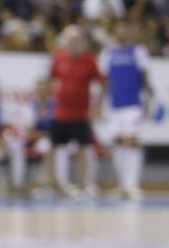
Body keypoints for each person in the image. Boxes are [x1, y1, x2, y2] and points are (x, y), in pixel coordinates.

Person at [98, 22, 153, 201]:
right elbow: (105, 81)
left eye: (125, 30)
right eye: (119, 31)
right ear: (114, 33)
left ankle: (132, 184)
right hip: (114, 105)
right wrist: (98, 104)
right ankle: (122, 184)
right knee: (117, 142)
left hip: (133, 104)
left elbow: (145, 78)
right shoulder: (108, 54)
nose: (122, 34)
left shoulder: (138, 52)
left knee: (131, 140)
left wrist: (148, 100)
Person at [49, 26, 103, 199]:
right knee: (57, 148)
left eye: (76, 40)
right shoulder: (58, 58)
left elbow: (100, 84)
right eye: (70, 40)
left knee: (83, 149)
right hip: (61, 113)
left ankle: (84, 184)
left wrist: (96, 107)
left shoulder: (89, 60)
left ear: (82, 42)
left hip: (81, 114)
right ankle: (59, 185)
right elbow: (51, 81)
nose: (73, 44)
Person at [26, 78, 55, 195]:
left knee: (59, 147)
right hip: (35, 139)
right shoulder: (31, 106)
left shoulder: (55, 105)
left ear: (49, 90)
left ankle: (57, 183)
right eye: (40, 89)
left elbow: (59, 125)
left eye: (45, 89)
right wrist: (42, 136)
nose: (42, 91)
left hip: (53, 137)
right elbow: (29, 129)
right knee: (47, 146)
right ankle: (47, 183)